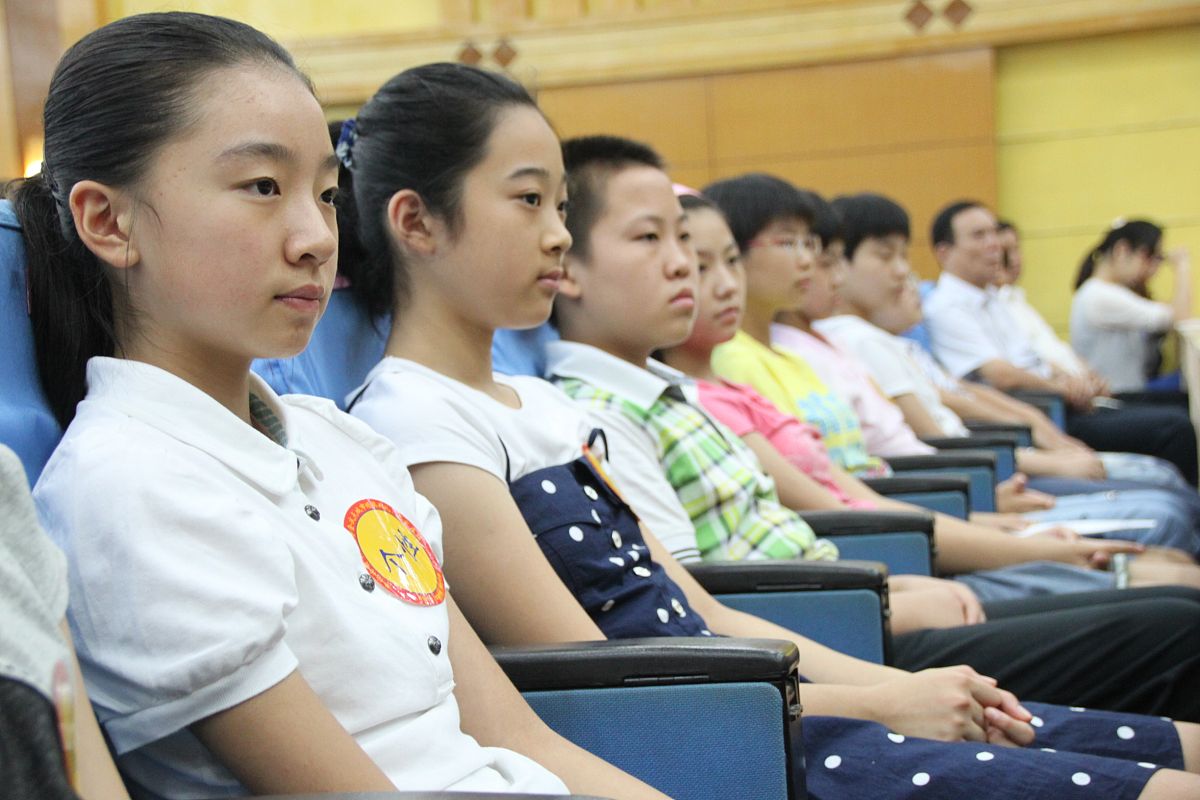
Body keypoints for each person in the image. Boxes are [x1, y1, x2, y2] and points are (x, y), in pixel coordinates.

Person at [332, 83, 1200, 792]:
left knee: (1165, 749)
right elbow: (600, 676)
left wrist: (901, 688)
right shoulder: (416, 423)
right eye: (528, 201)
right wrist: (877, 705)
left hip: (766, 692)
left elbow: (703, 613)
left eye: (560, 205)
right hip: (729, 742)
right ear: (418, 223)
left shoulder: (536, 404)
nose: (557, 233)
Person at [20, 13, 665, 800]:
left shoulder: (336, 440)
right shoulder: (133, 486)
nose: (316, 239)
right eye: (263, 187)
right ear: (107, 220)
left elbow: (518, 737)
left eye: (325, 194)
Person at [922, 200, 1198, 484]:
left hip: (1059, 402)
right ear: (944, 252)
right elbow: (1000, 375)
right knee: (1175, 428)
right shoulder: (945, 308)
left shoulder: (995, 299)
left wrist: (1073, 377)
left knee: (1180, 410)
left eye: (994, 233)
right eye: (979, 235)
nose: (994, 244)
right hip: (1042, 414)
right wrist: (1062, 388)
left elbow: (1035, 356)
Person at [1072, 219, 1191, 395]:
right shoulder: (1100, 295)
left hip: (1131, 392)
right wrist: (1182, 267)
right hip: (1118, 398)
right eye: (1149, 257)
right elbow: (1181, 319)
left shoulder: (1106, 291)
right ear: (1121, 250)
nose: (1153, 268)